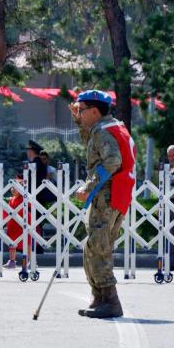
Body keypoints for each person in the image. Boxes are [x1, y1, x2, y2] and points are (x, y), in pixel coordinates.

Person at [69, 89, 136, 319]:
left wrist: (87, 187)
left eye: (82, 110)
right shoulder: (111, 127)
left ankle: (110, 299)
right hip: (115, 195)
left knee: (98, 246)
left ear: (95, 111)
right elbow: (92, 142)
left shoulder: (103, 131)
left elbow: (112, 161)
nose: (79, 113)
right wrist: (79, 122)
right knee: (95, 245)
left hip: (107, 196)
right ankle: (99, 297)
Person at [3, 174, 31, 269]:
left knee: (27, 243)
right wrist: (6, 223)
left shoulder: (25, 198)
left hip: (23, 223)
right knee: (11, 244)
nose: (13, 190)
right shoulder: (12, 200)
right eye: (12, 188)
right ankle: (12, 260)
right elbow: (7, 212)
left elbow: (31, 206)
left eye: (16, 188)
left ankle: (30, 260)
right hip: (13, 224)